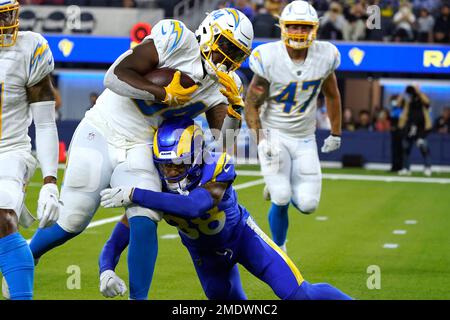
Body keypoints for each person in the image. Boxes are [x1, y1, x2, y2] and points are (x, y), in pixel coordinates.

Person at [24, 9, 254, 300]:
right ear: (209, 32)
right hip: (103, 127)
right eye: (226, 45)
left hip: (142, 145)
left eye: (235, 52)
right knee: (73, 219)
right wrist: (160, 94)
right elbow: (115, 76)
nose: (226, 57)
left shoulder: (224, 84)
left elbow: (222, 144)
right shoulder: (178, 39)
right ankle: (27, 255)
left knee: (145, 216)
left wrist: (235, 109)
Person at [98, 116, 352, 300]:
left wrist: (135, 193)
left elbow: (194, 206)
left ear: (196, 156)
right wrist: (106, 270)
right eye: (165, 166)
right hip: (205, 258)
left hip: (243, 239)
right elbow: (116, 241)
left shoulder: (217, 166)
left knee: (299, 295)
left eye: (178, 164)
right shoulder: (153, 184)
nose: (171, 171)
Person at [244, 0, 342, 252]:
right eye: (294, 27)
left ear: (314, 29)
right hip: (275, 134)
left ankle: (278, 184)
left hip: (305, 137)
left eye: (304, 27)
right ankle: (280, 249)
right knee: (281, 196)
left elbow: (332, 95)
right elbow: (251, 104)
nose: (299, 33)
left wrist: (335, 132)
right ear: (283, 27)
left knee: (309, 205)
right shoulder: (268, 57)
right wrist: (262, 140)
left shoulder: (325, 56)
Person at [0, 0, 60, 300]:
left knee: (2, 217)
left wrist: (50, 181)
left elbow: (46, 123)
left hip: (9, 150)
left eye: (8, 14)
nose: (7, 22)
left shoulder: (29, 48)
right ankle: (15, 254)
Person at [398, 85, 433, 176]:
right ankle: (406, 168)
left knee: (424, 148)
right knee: (406, 148)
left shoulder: (421, 98)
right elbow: (397, 104)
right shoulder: (407, 100)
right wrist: (404, 92)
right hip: (409, 126)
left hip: (421, 127)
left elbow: (427, 102)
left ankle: (427, 168)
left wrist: (418, 92)